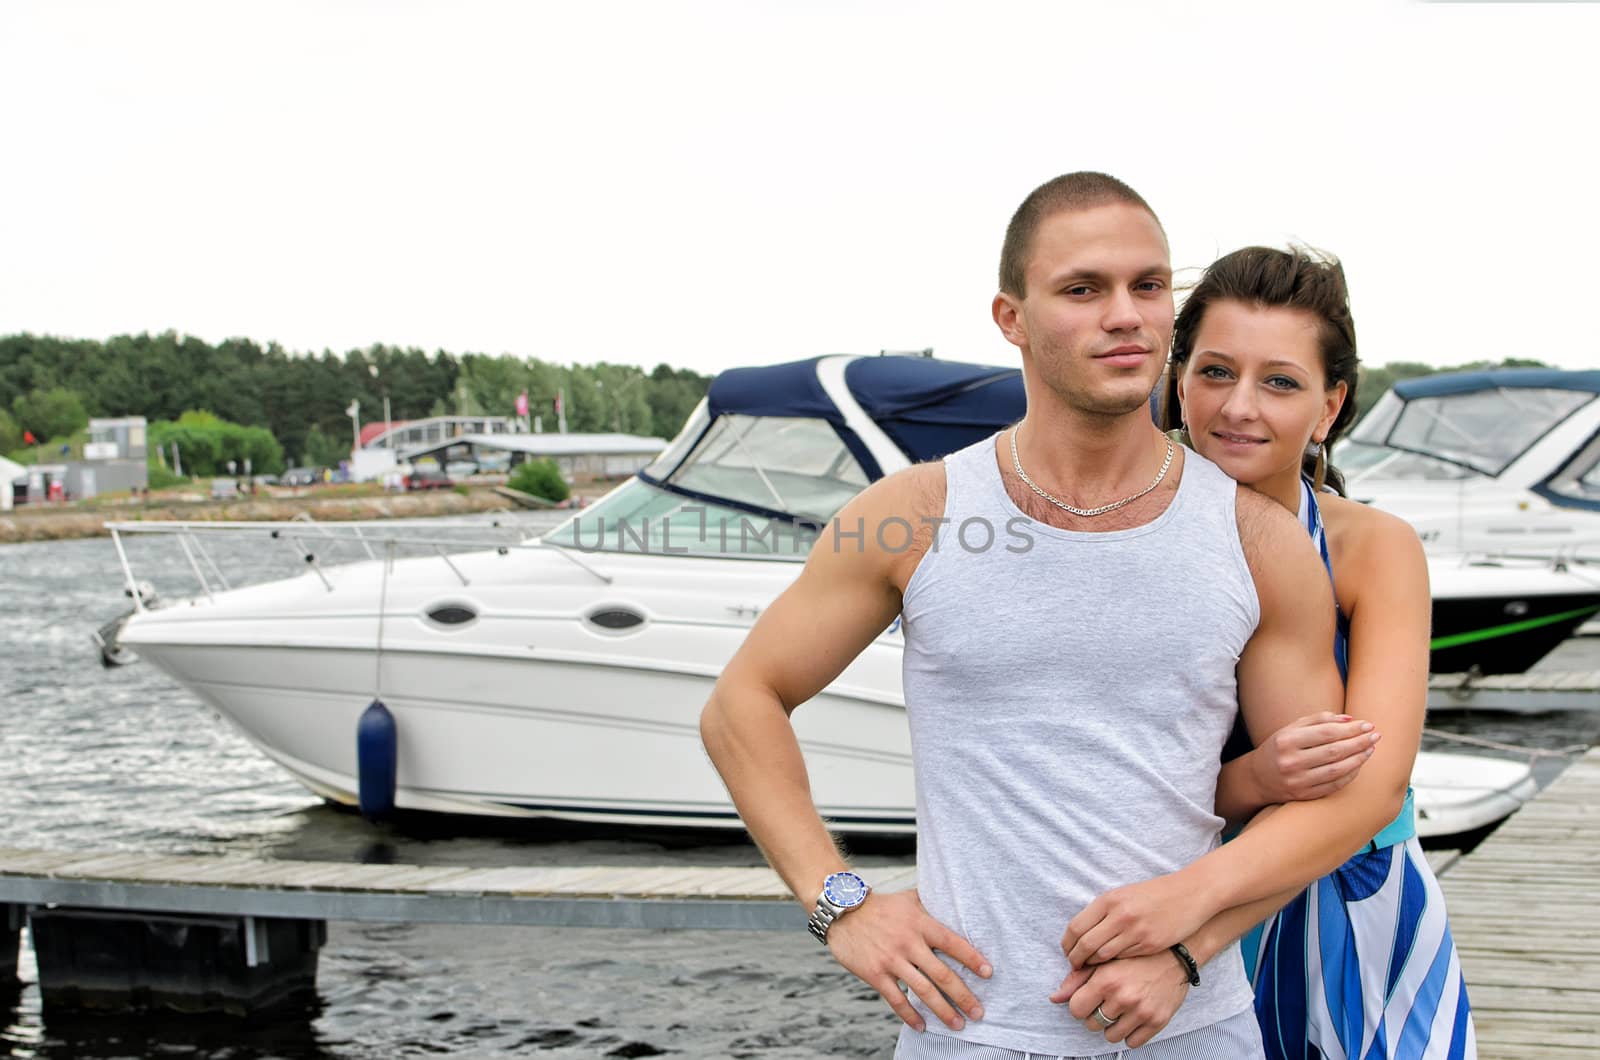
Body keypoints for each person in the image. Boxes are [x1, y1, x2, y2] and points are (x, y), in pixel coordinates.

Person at [700, 173, 1403, 1058]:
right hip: (967, 1030)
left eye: (1149, 286)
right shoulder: (913, 514)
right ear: (1012, 318)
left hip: (1191, 1028)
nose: (1127, 315)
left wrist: (1187, 948)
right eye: (1083, 289)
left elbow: (1328, 803)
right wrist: (840, 905)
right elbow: (743, 703)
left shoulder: (1259, 540)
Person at [1060, 246, 1476, 1057]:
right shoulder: (1108, 544)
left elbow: (1374, 785)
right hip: (1150, 909)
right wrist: (1249, 780)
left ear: (1329, 406)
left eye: (1279, 382)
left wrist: (1190, 928)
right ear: (1177, 382)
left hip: (1346, 904)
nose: (1238, 406)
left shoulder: (1371, 549)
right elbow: (1099, 775)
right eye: (1215, 371)